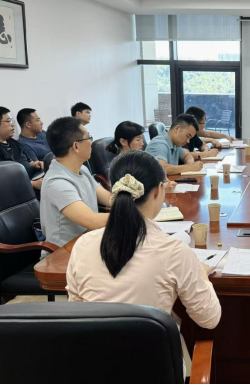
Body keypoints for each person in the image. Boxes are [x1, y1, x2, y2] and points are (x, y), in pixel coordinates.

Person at [66, 150, 221, 378]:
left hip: (94, 369)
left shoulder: (84, 244)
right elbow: (209, 319)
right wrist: (201, 273)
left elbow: (76, 311)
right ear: (158, 190)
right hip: (155, 370)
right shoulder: (173, 251)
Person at [41, 117, 111, 247]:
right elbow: (92, 221)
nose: (91, 142)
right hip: (65, 252)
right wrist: (132, 213)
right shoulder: (57, 183)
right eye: (88, 137)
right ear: (76, 146)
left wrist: (133, 202)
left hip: (88, 240)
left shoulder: (82, 169)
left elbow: (107, 197)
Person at [0, 107, 43, 191]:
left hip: (35, 179)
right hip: (20, 191)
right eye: (9, 121)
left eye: (12, 121)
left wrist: (35, 164)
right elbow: (4, 180)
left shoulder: (15, 143)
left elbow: (29, 161)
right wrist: (32, 184)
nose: (12, 125)